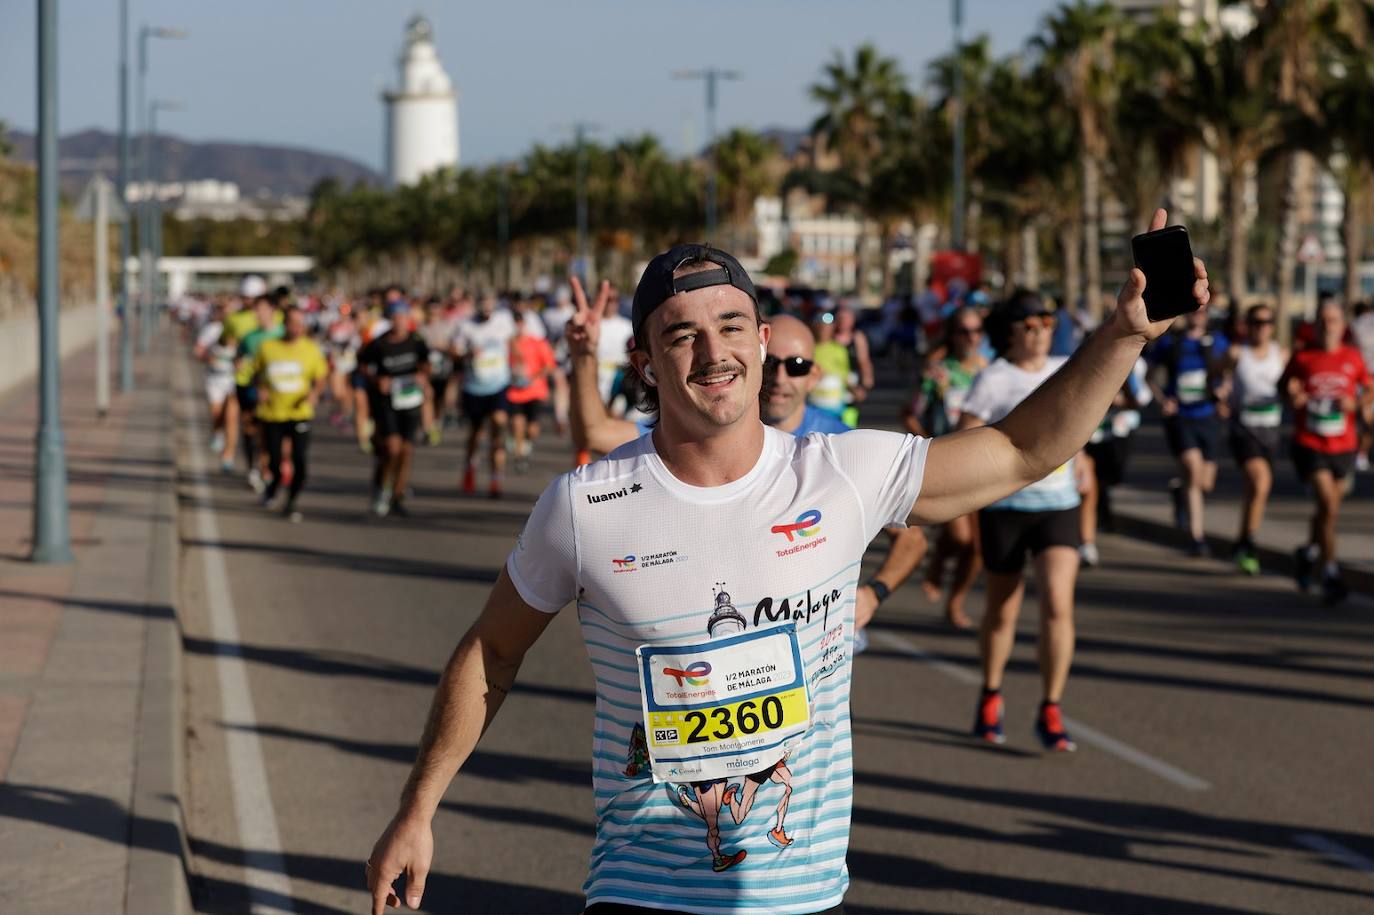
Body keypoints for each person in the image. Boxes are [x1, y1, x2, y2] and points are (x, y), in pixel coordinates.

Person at [365, 228, 1207, 913]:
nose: (712, 352)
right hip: (641, 890)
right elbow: (492, 652)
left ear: (764, 344)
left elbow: (1023, 449)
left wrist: (1124, 335)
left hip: (799, 893)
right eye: (681, 334)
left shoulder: (840, 470)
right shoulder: (587, 505)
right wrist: (418, 808)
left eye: (732, 326)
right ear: (648, 363)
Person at [959, 292, 1092, 752]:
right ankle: (991, 693)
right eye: (1029, 324)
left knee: (1058, 602)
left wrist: (1084, 458)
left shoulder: (1064, 369)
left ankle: (1051, 707)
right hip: (1005, 508)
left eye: (1046, 323)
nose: (1039, 332)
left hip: (1059, 504)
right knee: (1003, 610)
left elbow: (1078, 423)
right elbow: (964, 436)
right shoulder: (993, 379)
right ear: (1011, 330)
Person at [1282, 300, 1372, 605]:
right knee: (1327, 504)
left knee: (1327, 511)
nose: (1328, 325)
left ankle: (1308, 551)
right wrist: (1294, 394)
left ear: (1342, 325)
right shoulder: (1303, 356)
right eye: (1322, 320)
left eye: (1333, 320)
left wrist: (1356, 404)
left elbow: (1370, 388)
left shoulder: (1352, 357)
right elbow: (1284, 386)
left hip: (1344, 444)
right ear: (1316, 325)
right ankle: (1331, 573)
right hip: (1310, 442)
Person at [905, 306, 988, 627]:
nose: (972, 338)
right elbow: (909, 413)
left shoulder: (989, 370)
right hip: (948, 465)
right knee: (961, 537)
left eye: (977, 331)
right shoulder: (937, 372)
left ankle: (955, 602)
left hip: (984, 465)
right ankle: (939, 559)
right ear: (953, 336)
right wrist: (931, 446)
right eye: (965, 331)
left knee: (978, 550)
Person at [1147, 306, 1228, 556]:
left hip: (1207, 416)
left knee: (1206, 483)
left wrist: (1223, 391)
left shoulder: (1217, 342)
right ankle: (1197, 538)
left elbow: (1227, 372)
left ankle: (1180, 492)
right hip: (1181, 417)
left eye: (1202, 312)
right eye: (1193, 311)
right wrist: (1163, 401)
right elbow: (1148, 374)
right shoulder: (1171, 342)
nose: (1197, 315)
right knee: (1193, 469)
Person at [1217, 304, 1287, 575]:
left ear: (1272, 325)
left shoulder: (1282, 354)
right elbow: (1215, 376)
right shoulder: (1237, 353)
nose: (1261, 326)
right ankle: (1250, 543)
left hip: (1271, 431)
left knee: (1252, 491)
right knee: (1260, 482)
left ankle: (1240, 541)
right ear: (1248, 325)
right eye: (1256, 322)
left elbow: (1293, 386)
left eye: (1267, 321)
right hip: (1243, 430)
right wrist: (1220, 396)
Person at [249, 306, 328, 523]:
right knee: (274, 460)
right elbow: (257, 374)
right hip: (273, 413)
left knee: (299, 460)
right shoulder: (268, 348)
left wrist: (314, 393)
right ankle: (273, 486)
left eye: (301, 324)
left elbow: (320, 378)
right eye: (293, 323)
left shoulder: (311, 349)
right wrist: (260, 389)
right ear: (285, 324)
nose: (297, 327)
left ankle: (291, 501)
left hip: (299, 412)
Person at [360, 301, 431, 517]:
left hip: (409, 400)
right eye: (396, 317)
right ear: (390, 319)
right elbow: (362, 365)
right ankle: (382, 488)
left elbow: (426, 364)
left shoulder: (416, 341)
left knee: (407, 450)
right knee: (392, 448)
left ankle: (397, 496)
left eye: (403, 317)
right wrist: (376, 380)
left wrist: (422, 376)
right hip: (387, 402)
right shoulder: (379, 344)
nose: (400, 321)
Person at [453, 293, 515, 497]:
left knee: (499, 424)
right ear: (477, 306)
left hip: (499, 384)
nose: (487, 308)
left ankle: (496, 478)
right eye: (483, 304)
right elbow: (455, 350)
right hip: (474, 387)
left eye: (490, 304)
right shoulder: (466, 325)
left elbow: (515, 341)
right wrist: (468, 354)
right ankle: (470, 466)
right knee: (476, 432)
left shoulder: (504, 320)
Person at [234, 295, 284, 493]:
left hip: (273, 389)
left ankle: (267, 468)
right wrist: (239, 365)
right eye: (256, 310)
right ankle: (253, 467)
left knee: (267, 431)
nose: (258, 314)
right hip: (247, 385)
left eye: (262, 309)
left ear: (272, 310)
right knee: (249, 429)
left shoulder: (281, 334)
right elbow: (238, 359)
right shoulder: (249, 337)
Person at [507, 304, 557, 473]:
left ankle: (526, 445)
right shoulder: (508, 343)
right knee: (517, 424)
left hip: (535, 391)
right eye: (516, 321)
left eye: (521, 321)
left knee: (532, 430)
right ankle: (519, 457)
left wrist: (533, 377)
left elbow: (549, 365)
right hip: (514, 392)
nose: (518, 325)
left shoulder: (537, 342)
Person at [194, 301, 240, 473]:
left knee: (231, 418)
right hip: (214, 379)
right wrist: (207, 358)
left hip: (233, 380)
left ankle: (228, 455)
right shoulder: (211, 329)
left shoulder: (239, 331)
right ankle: (216, 432)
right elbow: (198, 351)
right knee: (217, 414)